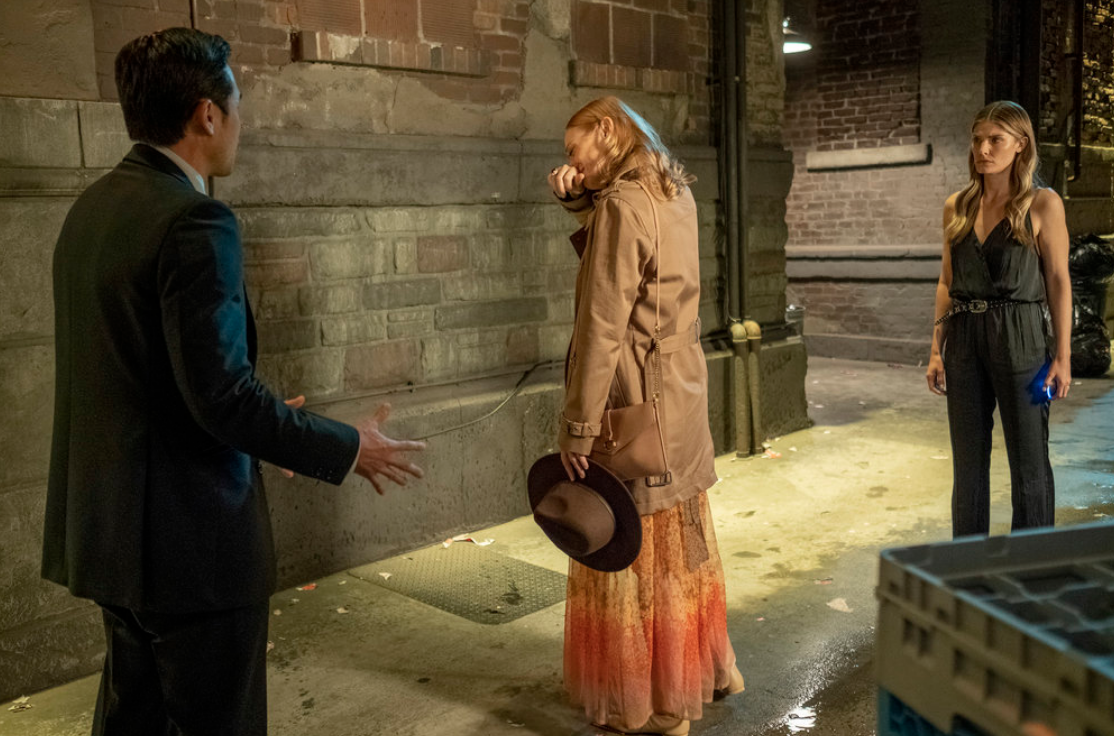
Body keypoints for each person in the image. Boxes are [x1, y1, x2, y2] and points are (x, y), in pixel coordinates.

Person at [43, 28, 425, 736]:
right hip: (191, 548)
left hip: (112, 536)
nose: (241, 120)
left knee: (135, 722)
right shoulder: (196, 220)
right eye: (237, 102)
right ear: (206, 114)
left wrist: (261, 418)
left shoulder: (92, 209)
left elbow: (150, 376)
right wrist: (346, 446)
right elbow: (221, 399)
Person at [547, 96, 743, 736]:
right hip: (679, 387)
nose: (569, 163)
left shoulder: (623, 206)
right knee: (679, 535)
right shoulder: (669, 189)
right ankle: (704, 672)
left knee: (629, 540)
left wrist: (578, 425)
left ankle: (654, 702)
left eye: (575, 149)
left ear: (607, 132)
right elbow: (640, 280)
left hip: (632, 389)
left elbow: (604, 323)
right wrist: (584, 207)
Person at [925, 100, 1071, 538]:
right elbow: (946, 283)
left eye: (995, 140)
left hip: (1022, 335)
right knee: (968, 462)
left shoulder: (1042, 204)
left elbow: (1059, 281)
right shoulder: (958, 206)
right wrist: (936, 350)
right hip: (965, 339)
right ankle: (968, 562)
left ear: (1020, 144)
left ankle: (1032, 565)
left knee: (1029, 458)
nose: (983, 149)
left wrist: (1062, 356)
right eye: (977, 140)